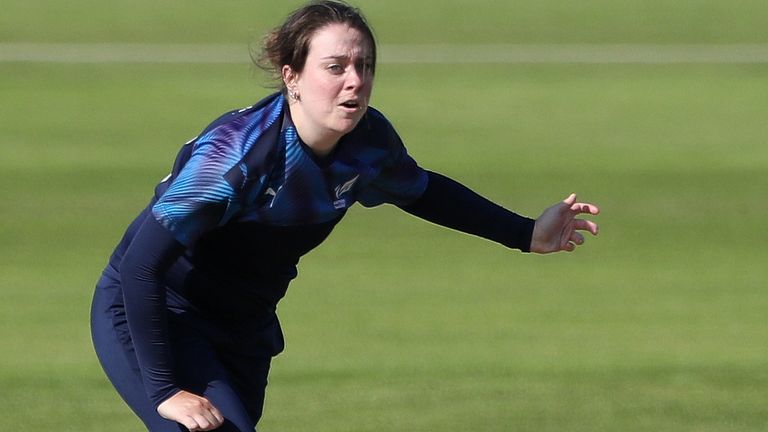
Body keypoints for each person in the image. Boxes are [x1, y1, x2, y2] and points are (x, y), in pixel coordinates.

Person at [90, 1, 600, 431]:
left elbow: (422, 191)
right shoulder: (234, 158)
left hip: (244, 327)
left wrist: (525, 232)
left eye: (365, 65)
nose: (355, 81)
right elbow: (141, 267)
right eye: (335, 67)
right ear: (292, 76)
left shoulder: (367, 144)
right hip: (159, 313)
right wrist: (165, 390)